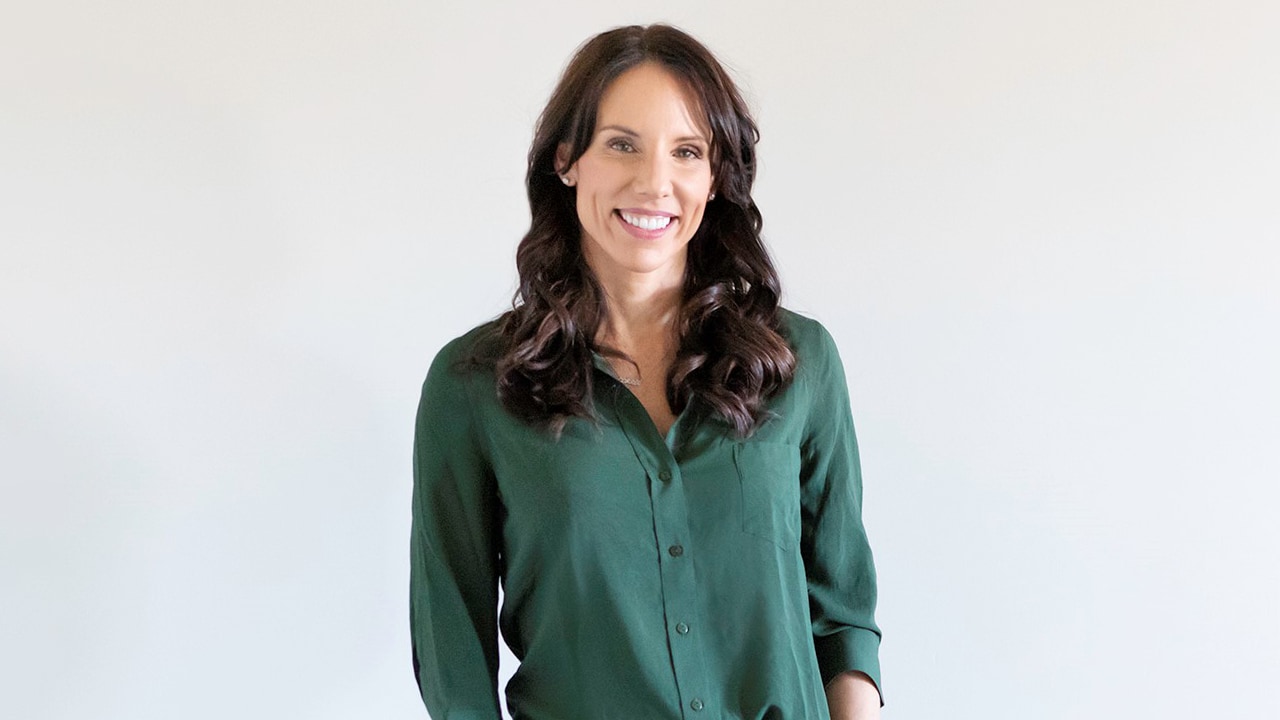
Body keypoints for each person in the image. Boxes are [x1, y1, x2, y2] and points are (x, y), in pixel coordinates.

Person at [410, 24, 883, 720]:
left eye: (687, 151)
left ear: (716, 175)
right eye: (622, 144)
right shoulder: (474, 385)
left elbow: (842, 617)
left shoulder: (800, 363)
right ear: (567, 159)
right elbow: (452, 649)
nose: (654, 182)